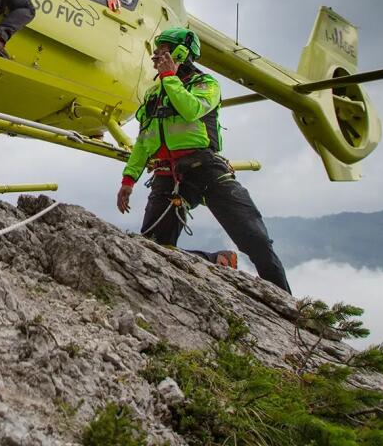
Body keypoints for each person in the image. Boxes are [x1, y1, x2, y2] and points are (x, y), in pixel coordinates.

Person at [115, 27, 292, 293]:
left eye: (162, 49)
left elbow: (191, 109)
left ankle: (287, 305)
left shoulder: (206, 85)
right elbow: (144, 140)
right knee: (152, 248)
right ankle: (214, 260)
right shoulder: (154, 94)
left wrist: (169, 78)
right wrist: (129, 179)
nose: (155, 55)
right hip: (167, 177)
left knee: (255, 240)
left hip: (207, 171)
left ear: (181, 53)